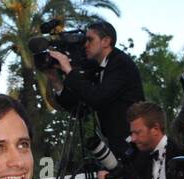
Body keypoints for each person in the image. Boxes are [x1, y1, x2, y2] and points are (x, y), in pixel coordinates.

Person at [49, 20, 145, 156]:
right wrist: (55, 81)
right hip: (114, 145)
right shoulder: (97, 67)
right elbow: (79, 109)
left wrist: (69, 70)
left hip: (132, 145)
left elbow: (97, 98)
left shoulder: (120, 63)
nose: (85, 45)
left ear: (106, 41)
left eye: (90, 40)